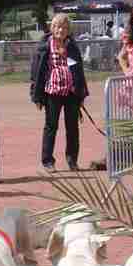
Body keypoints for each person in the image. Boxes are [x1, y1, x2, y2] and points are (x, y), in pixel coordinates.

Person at [30, 13, 88, 173]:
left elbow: (79, 71)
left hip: (71, 92)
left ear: (68, 30)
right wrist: (36, 96)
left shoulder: (72, 46)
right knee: (51, 126)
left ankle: (72, 160)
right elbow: (36, 72)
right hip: (52, 92)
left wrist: (81, 93)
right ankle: (48, 161)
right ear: (52, 28)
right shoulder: (44, 46)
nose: (60, 30)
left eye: (64, 27)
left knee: (72, 128)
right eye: (57, 26)